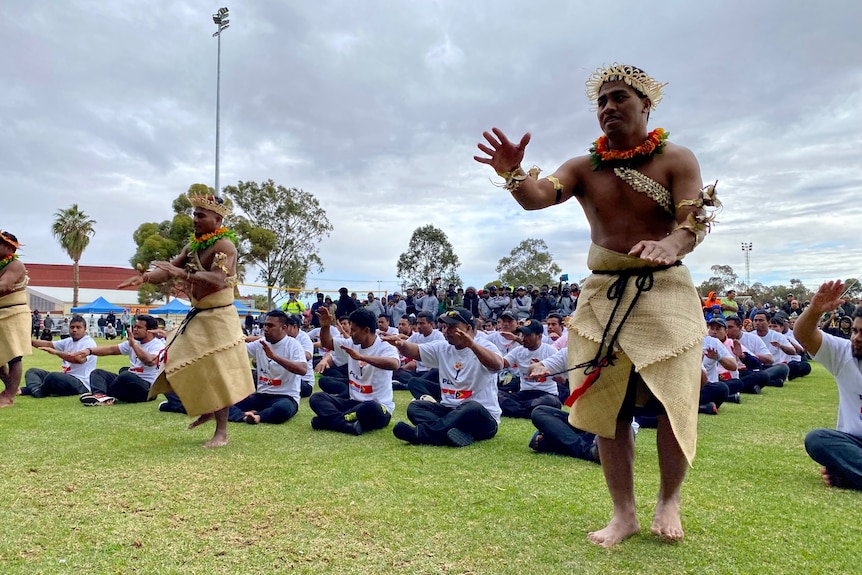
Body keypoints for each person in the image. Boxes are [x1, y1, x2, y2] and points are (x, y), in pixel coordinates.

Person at [475, 64, 719, 546]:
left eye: (620, 97)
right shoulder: (583, 168)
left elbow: (693, 222)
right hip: (603, 293)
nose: (608, 107)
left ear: (646, 104)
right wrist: (513, 174)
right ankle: (623, 513)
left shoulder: (676, 159)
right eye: (602, 100)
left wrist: (670, 246)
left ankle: (668, 500)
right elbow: (539, 197)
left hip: (665, 289)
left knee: (673, 403)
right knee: (611, 408)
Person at [119, 191, 254, 448]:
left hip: (219, 316)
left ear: (217, 220)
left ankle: (221, 432)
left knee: (218, 371)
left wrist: (181, 272)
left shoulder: (225, 246)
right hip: (199, 315)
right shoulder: (192, 246)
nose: (195, 219)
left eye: (201, 215)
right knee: (178, 360)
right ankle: (206, 405)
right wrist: (145, 278)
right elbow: (168, 270)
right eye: (194, 214)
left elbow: (218, 279)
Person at [388, 308, 504, 447]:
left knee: (471, 407)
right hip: (449, 409)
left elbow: (497, 366)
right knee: (415, 407)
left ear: (467, 328)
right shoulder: (443, 347)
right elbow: (416, 350)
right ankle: (453, 434)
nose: (446, 331)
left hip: (482, 417)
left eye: (452, 327)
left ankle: (421, 434)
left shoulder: (485, 346)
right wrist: (401, 344)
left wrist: (471, 345)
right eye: (445, 326)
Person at [794, 281, 862, 490]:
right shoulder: (845, 354)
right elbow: (804, 335)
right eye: (855, 331)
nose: (856, 338)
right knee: (817, 439)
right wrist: (814, 310)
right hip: (853, 444)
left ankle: (849, 475)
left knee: (839, 470)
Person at [309, 307, 399, 435]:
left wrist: (361, 357)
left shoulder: (385, 346)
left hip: (378, 408)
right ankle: (345, 423)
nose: (350, 333)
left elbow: (394, 364)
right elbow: (327, 343)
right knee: (317, 398)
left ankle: (328, 421)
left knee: (370, 407)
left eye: (354, 330)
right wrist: (325, 326)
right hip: (353, 403)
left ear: (366, 330)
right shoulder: (351, 343)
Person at [230, 310, 307, 425]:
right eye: (265, 325)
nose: (265, 329)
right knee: (225, 403)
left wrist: (275, 357)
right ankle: (245, 417)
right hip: (261, 396)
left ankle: (258, 416)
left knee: (282, 409)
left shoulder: (293, 345)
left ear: (284, 328)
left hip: (285, 397)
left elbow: (302, 369)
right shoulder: (261, 343)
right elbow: (238, 352)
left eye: (270, 326)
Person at [78, 315, 166, 405]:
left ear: (150, 331)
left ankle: (106, 393)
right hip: (130, 384)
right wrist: (89, 351)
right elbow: (112, 349)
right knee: (97, 373)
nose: (134, 329)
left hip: (147, 389)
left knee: (126, 375)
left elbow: (150, 361)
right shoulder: (134, 342)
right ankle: (100, 397)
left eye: (139, 327)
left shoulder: (158, 345)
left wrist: (134, 345)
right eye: (134, 326)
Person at [25, 315, 97, 397]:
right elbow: (49, 344)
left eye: (78, 327)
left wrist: (56, 352)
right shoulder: (68, 341)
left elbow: (79, 360)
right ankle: (37, 390)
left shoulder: (88, 342)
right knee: (32, 372)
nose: (74, 330)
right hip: (66, 377)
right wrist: (27, 341)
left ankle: (32, 390)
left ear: (85, 329)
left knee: (54, 377)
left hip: (81, 382)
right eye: (72, 327)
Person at [0, 231, 32, 406]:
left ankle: (8, 395)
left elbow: (3, 285)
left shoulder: (15, 265)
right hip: (1, 313)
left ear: (9, 247)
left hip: (14, 314)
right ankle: (11, 387)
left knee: (14, 356)